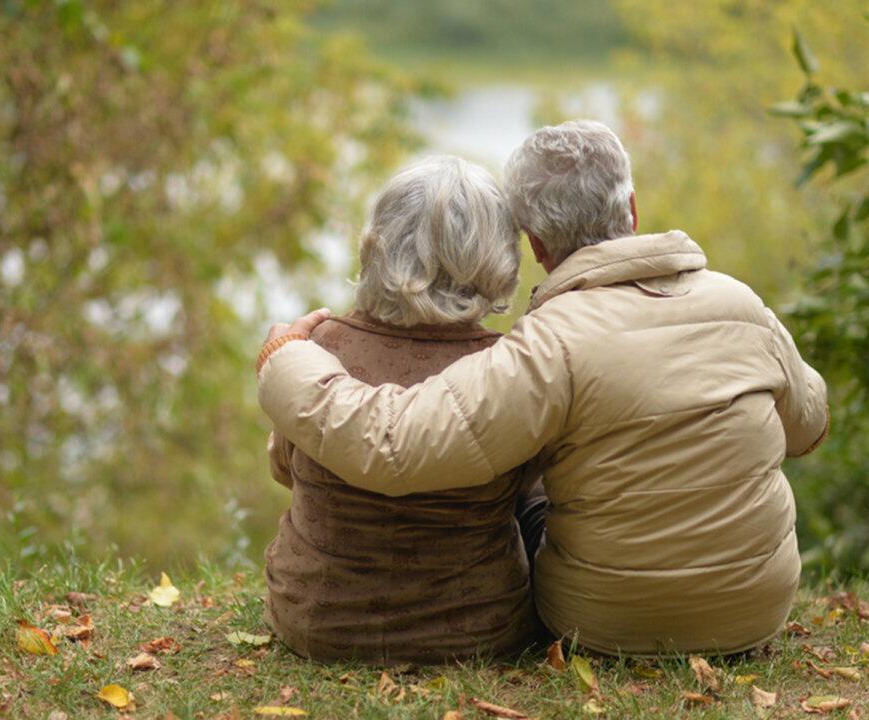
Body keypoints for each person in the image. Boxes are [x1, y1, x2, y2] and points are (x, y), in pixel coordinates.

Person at [256, 121, 829, 657]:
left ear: (533, 244)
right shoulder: (741, 304)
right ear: (631, 207)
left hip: (605, 622)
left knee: (532, 458)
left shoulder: (547, 343)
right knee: (534, 469)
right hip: (755, 612)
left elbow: (393, 446)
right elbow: (808, 428)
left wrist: (286, 360)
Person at [262, 155, 543, 664]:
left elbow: (285, 469)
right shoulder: (509, 366)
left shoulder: (317, 349)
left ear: (379, 244)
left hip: (317, 622)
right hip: (478, 632)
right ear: (497, 256)